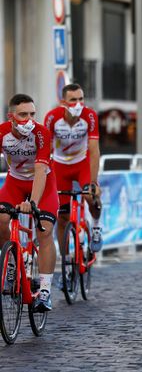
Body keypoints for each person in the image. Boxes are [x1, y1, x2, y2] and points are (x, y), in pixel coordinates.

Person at [0, 94, 59, 312]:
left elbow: (41, 171)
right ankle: (13, 265)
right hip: (14, 183)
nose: (29, 119)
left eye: (32, 114)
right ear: (11, 117)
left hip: (43, 185)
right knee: (1, 220)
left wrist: (32, 203)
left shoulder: (41, 133)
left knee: (44, 230)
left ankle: (44, 291)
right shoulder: (2, 132)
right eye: (23, 114)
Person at [44, 83, 102, 264]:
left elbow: (94, 149)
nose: (78, 104)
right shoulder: (52, 118)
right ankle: (66, 261)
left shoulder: (89, 116)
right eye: (73, 100)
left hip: (81, 163)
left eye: (81, 99)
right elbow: (44, 151)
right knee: (62, 217)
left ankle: (96, 227)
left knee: (89, 195)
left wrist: (93, 182)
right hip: (59, 166)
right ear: (63, 102)